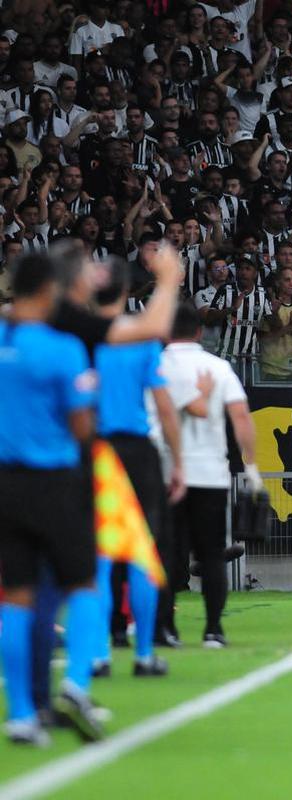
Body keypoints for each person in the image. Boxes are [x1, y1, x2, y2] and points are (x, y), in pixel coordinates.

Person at [0, 253, 106, 746]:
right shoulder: (64, 350)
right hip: (56, 480)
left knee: (17, 596)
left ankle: (22, 713)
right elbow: (82, 426)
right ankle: (76, 686)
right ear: (47, 292)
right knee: (83, 582)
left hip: (7, 484)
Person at [91, 259, 183, 679]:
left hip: (93, 449)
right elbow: (164, 407)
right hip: (137, 450)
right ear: (127, 293)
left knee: (99, 554)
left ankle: (99, 652)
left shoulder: (76, 335)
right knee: (143, 550)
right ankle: (145, 653)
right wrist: (177, 462)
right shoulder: (140, 340)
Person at [159, 304, 262, 648]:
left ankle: (166, 628)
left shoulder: (155, 365)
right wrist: (250, 463)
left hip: (165, 472)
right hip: (210, 473)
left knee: (165, 554)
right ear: (199, 332)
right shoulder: (217, 367)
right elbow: (241, 417)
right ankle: (214, 629)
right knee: (212, 554)